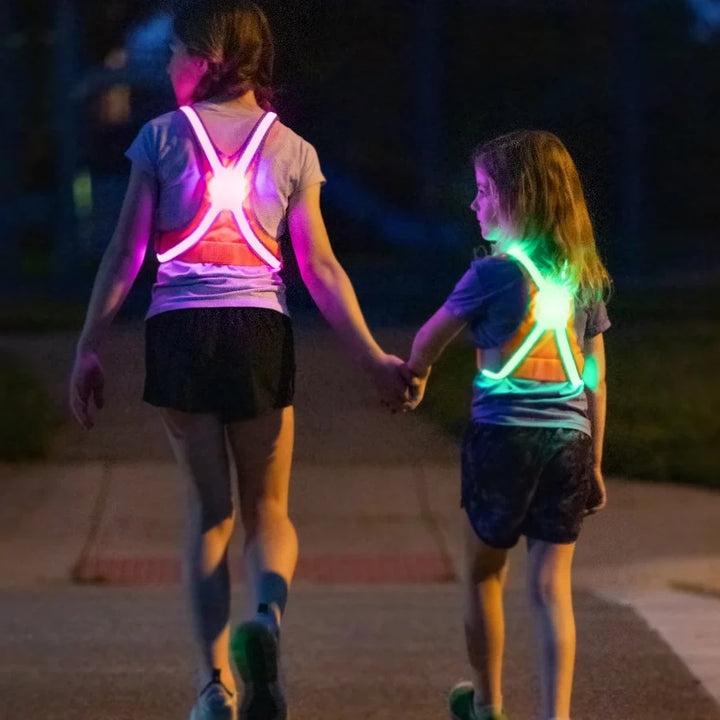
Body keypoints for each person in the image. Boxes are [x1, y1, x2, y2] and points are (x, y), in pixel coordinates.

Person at [68, 2, 409, 719]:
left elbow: (126, 254)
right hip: (259, 330)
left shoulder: (159, 139)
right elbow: (319, 267)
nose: (167, 69)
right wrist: (374, 357)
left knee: (209, 513)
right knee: (269, 510)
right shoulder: (292, 149)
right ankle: (267, 621)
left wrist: (88, 347)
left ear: (206, 55)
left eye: (173, 56)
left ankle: (212, 687)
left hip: (181, 334)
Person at [402, 130, 611, 720]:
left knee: (484, 573)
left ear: (517, 198)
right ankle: (556, 714)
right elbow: (594, 375)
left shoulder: (491, 275)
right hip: (569, 443)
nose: (474, 204)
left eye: (483, 190)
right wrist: (593, 460)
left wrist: (413, 376)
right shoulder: (583, 277)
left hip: (501, 439)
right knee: (552, 589)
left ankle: (488, 704)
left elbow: (428, 338)